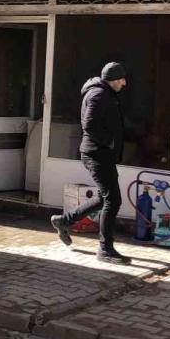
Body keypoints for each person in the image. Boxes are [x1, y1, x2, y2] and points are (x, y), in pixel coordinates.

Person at [51, 62, 131, 265]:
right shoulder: (98, 94)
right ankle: (105, 249)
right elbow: (89, 125)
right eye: (121, 79)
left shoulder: (105, 93)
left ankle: (64, 221)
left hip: (102, 154)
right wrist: (109, 142)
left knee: (104, 198)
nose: (124, 83)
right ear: (113, 79)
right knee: (113, 200)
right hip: (97, 154)